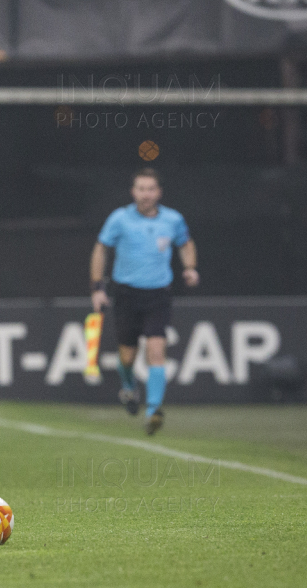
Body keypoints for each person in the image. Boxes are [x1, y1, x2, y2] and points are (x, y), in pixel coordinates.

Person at [90, 168, 199, 435]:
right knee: (127, 357)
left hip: (158, 295)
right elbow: (101, 249)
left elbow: (185, 243)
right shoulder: (120, 219)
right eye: (141, 189)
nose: (146, 194)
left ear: (159, 192)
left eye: (151, 189)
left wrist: (190, 267)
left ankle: (153, 410)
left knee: (156, 350)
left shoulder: (172, 220)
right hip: (126, 294)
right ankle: (129, 389)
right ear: (133, 191)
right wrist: (97, 287)